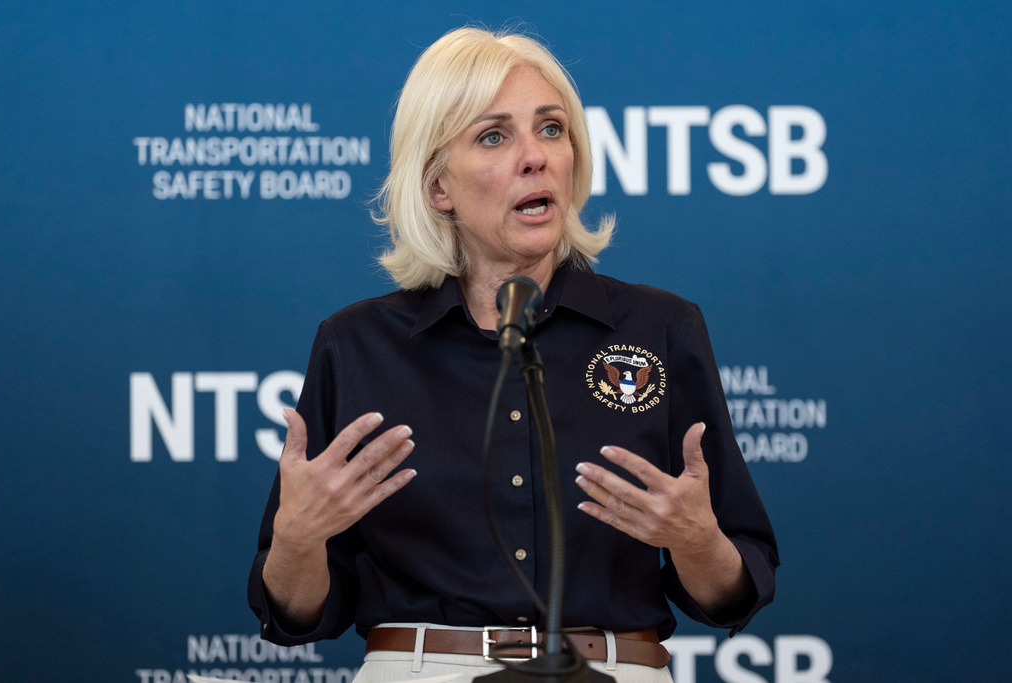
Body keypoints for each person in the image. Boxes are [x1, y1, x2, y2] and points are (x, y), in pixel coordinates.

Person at [249, 26, 778, 683]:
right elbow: (295, 614)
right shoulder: (357, 344)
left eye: (551, 129)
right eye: (494, 137)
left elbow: (732, 591)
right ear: (438, 186)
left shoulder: (661, 327)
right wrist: (299, 540)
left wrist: (697, 541)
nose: (536, 157)